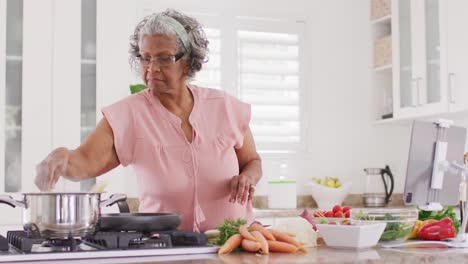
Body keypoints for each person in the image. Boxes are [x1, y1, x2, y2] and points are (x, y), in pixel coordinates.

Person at [34, 9, 262, 232]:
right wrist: (62, 157)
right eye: (145, 58)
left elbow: (252, 161)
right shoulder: (128, 115)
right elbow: (82, 162)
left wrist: (248, 177)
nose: (152, 68)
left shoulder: (224, 107)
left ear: (188, 60)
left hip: (236, 243)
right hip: (163, 249)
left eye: (164, 59)